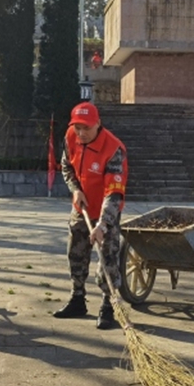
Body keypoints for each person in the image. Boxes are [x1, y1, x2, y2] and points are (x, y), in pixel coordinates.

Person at [52, 102, 128, 330]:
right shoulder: (70, 137)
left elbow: (114, 193)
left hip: (107, 209)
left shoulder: (114, 150)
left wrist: (103, 225)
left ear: (98, 124)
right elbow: (66, 167)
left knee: (108, 257)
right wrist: (75, 189)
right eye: (77, 128)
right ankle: (77, 298)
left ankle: (108, 306)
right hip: (82, 204)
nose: (81, 133)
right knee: (75, 251)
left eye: (86, 128)